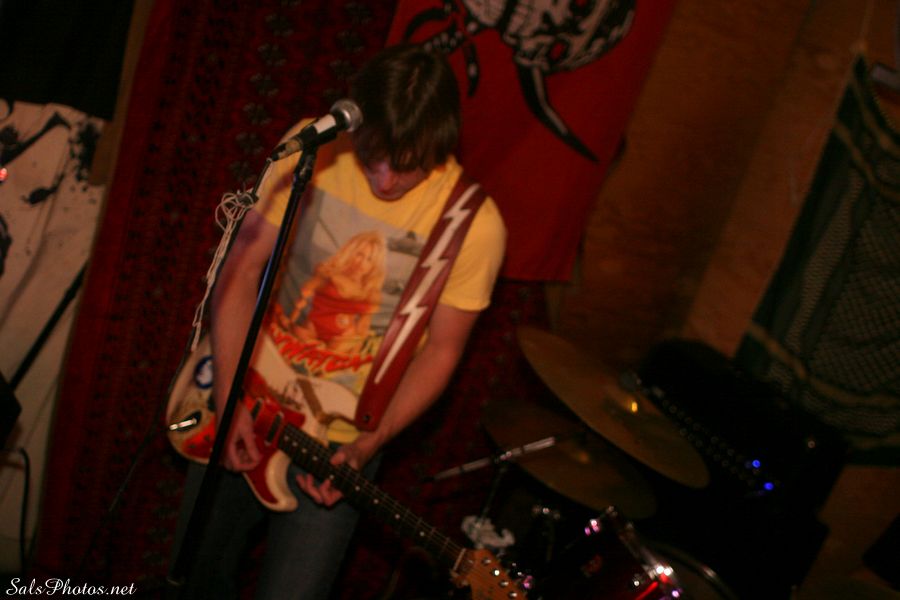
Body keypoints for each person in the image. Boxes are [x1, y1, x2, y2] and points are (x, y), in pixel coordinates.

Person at [174, 43, 506, 599]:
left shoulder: (474, 226)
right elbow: (240, 271)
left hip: (339, 444)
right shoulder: (314, 147)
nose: (385, 178)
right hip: (244, 398)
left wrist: (372, 441)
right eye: (374, 155)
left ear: (441, 144)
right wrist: (229, 397)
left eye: (406, 164)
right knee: (193, 581)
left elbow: (443, 350)